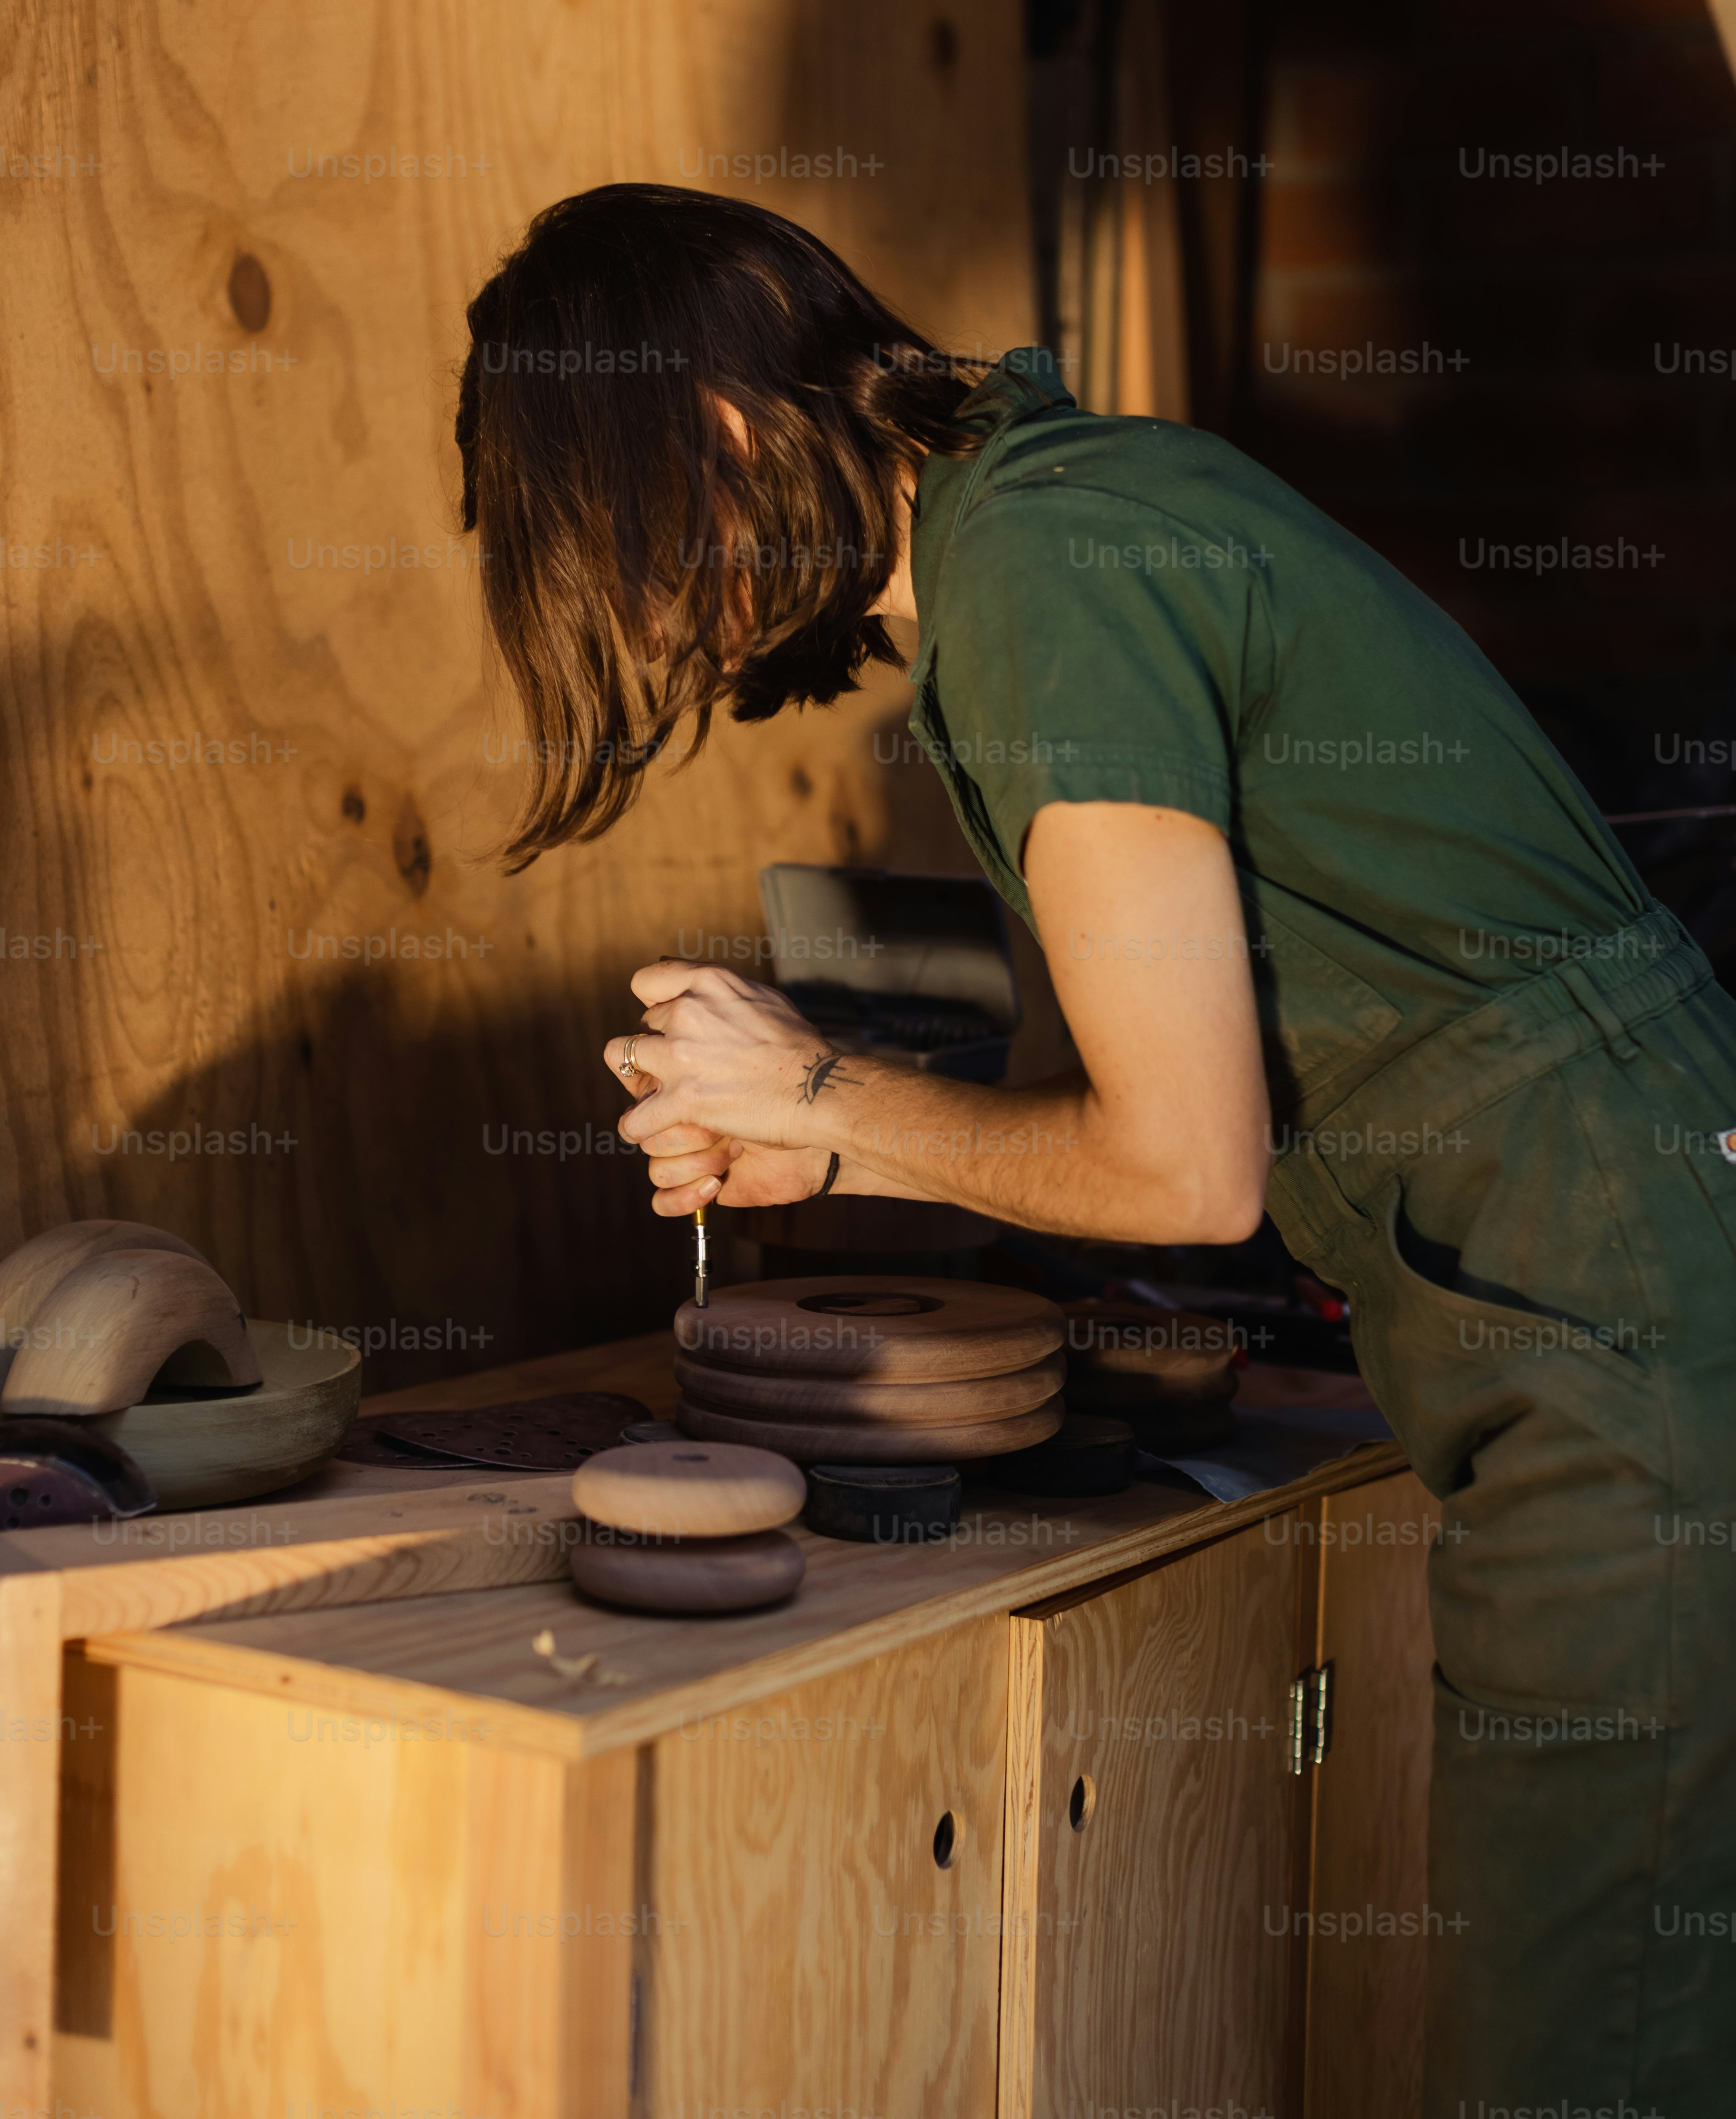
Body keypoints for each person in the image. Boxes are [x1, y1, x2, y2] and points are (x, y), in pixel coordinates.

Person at [457, 180, 1734, 2117]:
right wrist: (850, 1154)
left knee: (1584, 2062)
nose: (649, 620)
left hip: (1615, 1307)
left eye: (626, 547)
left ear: (713, 430)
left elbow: (1186, 1172)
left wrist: (818, 1089)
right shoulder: (1046, 515)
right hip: (1592, 1280)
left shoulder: (1043, 567)